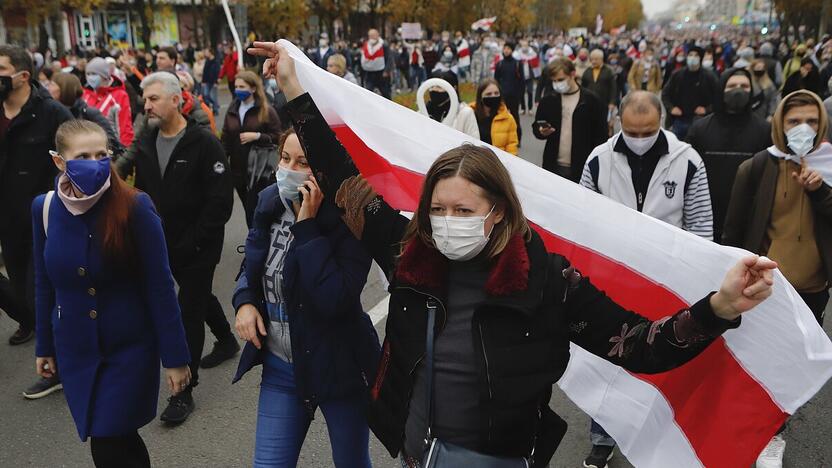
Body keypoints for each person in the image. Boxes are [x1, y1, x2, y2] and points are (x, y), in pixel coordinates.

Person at [248, 40, 777, 468]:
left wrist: (719, 309)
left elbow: (637, 346)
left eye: (463, 210)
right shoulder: (410, 256)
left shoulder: (545, 278)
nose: (447, 224)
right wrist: (295, 87)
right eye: (438, 210)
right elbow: (343, 181)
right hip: (414, 454)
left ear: (498, 210)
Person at [33, 119, 191, 468]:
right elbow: (45, 283)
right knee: (114, 440)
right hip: (75, 349)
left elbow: (160, 285)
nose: (96, 163)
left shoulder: (135, 206)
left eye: (102, 154)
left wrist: (176, 357)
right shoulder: (44, 208)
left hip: (127, 350)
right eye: (83, 156)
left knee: (109, 439)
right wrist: (44, 345)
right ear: (60, 161)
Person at [578, 89, 714, 467]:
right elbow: (583, 220)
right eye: (632, 131)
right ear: (618, 122)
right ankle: (602, 437)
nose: (640, 139)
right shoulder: (598, 160)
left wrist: (695, 278)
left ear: (661, 125)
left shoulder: (687, 161)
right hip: (612, 279)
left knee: (661, 357)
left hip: (666, 280)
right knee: (608, 358)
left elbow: (701, 225)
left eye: (648, 131)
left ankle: (654, 435)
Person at [231, 127, 380, 467]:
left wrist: (308, 226)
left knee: (351, 461)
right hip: (282, 367)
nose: (289, 169)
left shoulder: (351, 216)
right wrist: (245, 302)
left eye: (303, 162)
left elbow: (336, 299)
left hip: (338, 367)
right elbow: (251, 267)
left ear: (326, 168)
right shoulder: (269, 201)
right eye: (285, 158)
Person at [723, 89, 831, 468]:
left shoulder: (829, 165)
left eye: (812, 121)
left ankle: (773, 428)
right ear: (780, 125)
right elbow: (734, 232)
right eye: (794, 121)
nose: (804, 128)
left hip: (813, 287)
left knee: (793, 361)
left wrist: (820, 192)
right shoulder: (757, 167)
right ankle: (760, 430)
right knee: (760, 357)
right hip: (768, 288)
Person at [132, 72, 234, 424]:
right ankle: (226, 338)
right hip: (162, 243)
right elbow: (142, 193)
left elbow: (220, 203)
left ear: (176, 100)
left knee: (187, 309)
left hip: (198, 247)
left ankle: (183, 392)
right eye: (145, 100)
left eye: (154, 98)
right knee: (199, 297)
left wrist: (193, 242)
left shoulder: (204, 143)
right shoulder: (146, 140)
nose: (147, 106)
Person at [0, 45, 72, 358]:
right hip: (6, 221)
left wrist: (55, 202)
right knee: (19, 288)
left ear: (23, 76)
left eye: (1, 71)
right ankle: (32, 322)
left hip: (42, 217)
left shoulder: (50, 112)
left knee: (39, 290)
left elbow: (72, 158)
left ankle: (55, 358)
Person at [686, 68, 772, 243]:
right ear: (721, 88)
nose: (738, 90)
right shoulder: (700, 129)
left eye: (744, 86)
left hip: (747, 218)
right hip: (707, 218)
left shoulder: (764, 130)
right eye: (732, 85)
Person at [222, 70, 281, 226]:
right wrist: (223, 160)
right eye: (236, 86)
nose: (238, 90)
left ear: (253, 88)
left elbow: (278, 136)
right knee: (248, 210)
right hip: (238, 170)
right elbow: (226, 137)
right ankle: (254, 242)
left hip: (259, 170)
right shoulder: (232, 108)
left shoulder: (266, 110)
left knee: (256, 210)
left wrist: (257, 136)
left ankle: (259, 243)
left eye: (242, 86)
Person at [533, 58, 607, 182]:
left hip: (582, 166)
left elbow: (601, 135)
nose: (557, 84)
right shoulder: (548, 100)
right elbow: (536, 125)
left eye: (561, 80)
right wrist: (541, 131)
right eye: (554, 81)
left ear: (572, 74)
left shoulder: (591, 100)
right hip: (553, 165)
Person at [52, 72, 124, 155]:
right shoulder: (53, 112)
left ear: (64, 88)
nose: (48, 88)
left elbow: (111, 142)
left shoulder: (88, 113)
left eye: (52, 85)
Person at [662, 47, 719, 140]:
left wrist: (707, 109)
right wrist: (671, 108)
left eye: (696, 55)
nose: (693, 57)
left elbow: (719, 98)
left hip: (701, 121)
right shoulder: (677, 74)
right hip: (679, 120)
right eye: (690, 55)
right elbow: (665, 94)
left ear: (700, 58)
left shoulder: (710, 76)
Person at [82, 57, 134, 148]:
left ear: (105, 75)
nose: (90, 77)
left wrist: (124, 151)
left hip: (111, 148)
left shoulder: (120, 95)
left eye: (94, 74)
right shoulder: (85, 94)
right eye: (88, 74)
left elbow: (124, 127)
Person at [417, 72, 479, 139]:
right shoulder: (421, 112)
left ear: (453, 88)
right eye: (431, 87)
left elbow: (474, 140)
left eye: (439, 87)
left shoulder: (465, 113)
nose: (434, 90)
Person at [470, 78, 518, 155]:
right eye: (489, 94)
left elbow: (512, 146)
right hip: (474, 162)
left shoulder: (508, 118)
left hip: (498, 163)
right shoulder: (469, 114)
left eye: (496, 93)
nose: (493, 96)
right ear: (480, 97)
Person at [494, 42, 524, 144]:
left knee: (515, 118)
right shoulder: (500, 64)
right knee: (501, 117)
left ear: (512, 50)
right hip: (502, 96)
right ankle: (501, 139)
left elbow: (521, 81)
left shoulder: (517, 63)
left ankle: (517, 139)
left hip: (514, 96)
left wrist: (520, 96)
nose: (506, 50)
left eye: (508, 48)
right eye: (505, 48)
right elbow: (496, 80)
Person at [361, 29, 394, 99]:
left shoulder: (384, 45)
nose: (372, 37)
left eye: (373, 35)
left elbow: (389, 58)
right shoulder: (366, 45)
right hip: (369, 73)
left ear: (377, 35)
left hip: (381, 73)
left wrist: (386, 71)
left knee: (386, 93)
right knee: (368, 92)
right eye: (370, 36)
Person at [581, 49, 617, 114]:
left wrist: (612, 102)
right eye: (592, 59)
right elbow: (583, 87)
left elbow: (613, 88)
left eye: (596, 59)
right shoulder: (587, 71)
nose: (593, 61)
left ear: (601, 59)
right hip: (589, 103)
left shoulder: (608, 71)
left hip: (604, 103)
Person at [202, 48, 221, 115]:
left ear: (210, 53)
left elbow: (217, 72)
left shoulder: (216, 61)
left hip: (213, 82)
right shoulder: (207, 61)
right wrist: (203, 81)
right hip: (207, 81)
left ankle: (215, 110)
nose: (205, 53)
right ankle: (215, 104)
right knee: (206, 94)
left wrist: (216, 82)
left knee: (213, 96)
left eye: (207, 52)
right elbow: (205, 71)